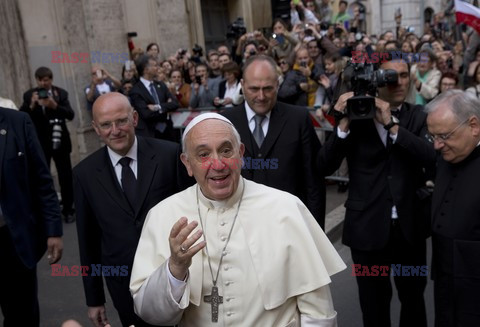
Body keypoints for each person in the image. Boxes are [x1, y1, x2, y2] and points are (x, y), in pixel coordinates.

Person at [129, 112, 346, 326]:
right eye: (203, 154)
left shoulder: (286, 207)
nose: (218, 164)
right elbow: (151, 315)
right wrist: (175, 268)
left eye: (226, 150)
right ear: (187, 163)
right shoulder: (162, 214)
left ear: (240, 153)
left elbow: (319, 313)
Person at [322, 53, 436, 327]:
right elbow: (323, 165)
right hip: (367, 232)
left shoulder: (418, 116)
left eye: (404, 75)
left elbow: (431, 158)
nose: (398, 82)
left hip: (410, 229)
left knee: (413, 299)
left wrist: (391, 125)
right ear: (375, 80)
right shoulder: (353, 118)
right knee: (373, 304)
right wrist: (343, 124)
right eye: (390, 76)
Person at [74, 92, 191, 327]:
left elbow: (192, 212)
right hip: (123, 283)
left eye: (121, 121)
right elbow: (88, 242)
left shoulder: (168, 155)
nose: (115, 130)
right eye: (106, 125)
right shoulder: (84, 174)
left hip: (173, 275)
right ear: (96, 128)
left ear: (135, 118)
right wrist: (94, 299)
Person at [222, 55, 326, 228]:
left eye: (268, 89)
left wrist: (315, 232)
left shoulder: (298, 119)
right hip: (240, 227)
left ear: (277, 85)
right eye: (254, 89)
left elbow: (313, 181)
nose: (261, 96)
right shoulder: (225, 122)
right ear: (242, 85)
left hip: (290, 225)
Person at [0, 108, 63, 326]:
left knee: (22, 315)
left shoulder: (17, 122)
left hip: (14, 240)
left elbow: (41, 180)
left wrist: (53, 229)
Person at [425, 89, 480, 326]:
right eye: (433, 137)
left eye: (444, 136)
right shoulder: (447, 156)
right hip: (446, 284)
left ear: (473, 126)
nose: (437, 145)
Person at [20, 66, 76, 223]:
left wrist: (54, 106)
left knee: (65, 176)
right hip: (40, 143)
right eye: (40, 80)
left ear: (51, 79)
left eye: (46, 80)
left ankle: (68, 209)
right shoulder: (29, 95)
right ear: (36, 80)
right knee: (42, 177)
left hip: (60, 141)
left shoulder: (61, 93)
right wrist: (30, 105)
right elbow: (22, 117)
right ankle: (47, 210)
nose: (43, 83)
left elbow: (70, 114)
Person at [130, 55, 179, 141]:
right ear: (146, 69)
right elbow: (146, 114)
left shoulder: (161, 85)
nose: (157, 68)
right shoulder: (136, 91)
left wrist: (158, 107)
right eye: (155, 65)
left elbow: (175, 103)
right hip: (149, 135)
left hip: (168, 133)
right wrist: (166, 108)